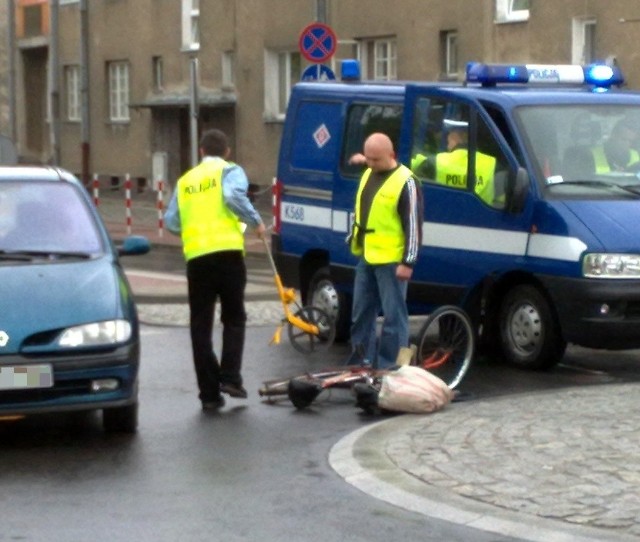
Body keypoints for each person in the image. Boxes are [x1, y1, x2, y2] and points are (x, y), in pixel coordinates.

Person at [164, 128, 266, 410]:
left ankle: (209, 393)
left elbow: (172, 222)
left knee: (201, 325)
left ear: (200, 151)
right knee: (234, 317)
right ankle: (231, 378)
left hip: (197, 259)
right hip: (228, 255)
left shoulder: (185, 181)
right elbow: (233, 197)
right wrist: (255, 221)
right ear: (227, 152)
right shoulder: (230, 171)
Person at [346, 133, 423, 369]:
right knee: (361, 314)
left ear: (391, 155)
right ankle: (361, 362)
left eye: (376, 159)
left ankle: (393, 368)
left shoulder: (406, 181)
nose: (370, 164)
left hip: (392, 260)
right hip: (367, 255)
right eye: (367, 158)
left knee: (394, 317)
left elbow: (413, 224)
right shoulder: (369, 172)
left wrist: (408, 261)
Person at [410, 124, 495, 205]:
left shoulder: (435, 162)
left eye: (450, 133)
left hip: (442, 215)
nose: (447, 137)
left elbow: (410, 165)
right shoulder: (491, 163)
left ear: (457, 137)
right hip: (479, 217)